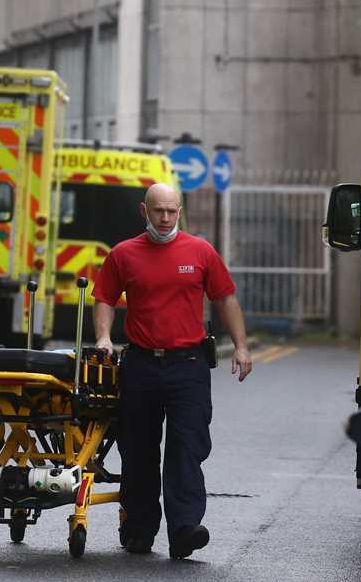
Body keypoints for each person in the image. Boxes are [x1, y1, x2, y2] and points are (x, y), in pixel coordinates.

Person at [92, 182, 252, 560]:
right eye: (158, 211)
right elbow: (104, 297)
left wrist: (242, 346)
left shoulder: (200, 252)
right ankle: (139, 530)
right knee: (139, 451)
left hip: (189, 364)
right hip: (141, 364)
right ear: (143, 211)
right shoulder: (124, 254)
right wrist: (103, 337)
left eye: (171, 211)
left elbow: (225, 297)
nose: (165, 218)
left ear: (180, 211)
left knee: (186, 447)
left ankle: (184, 530)